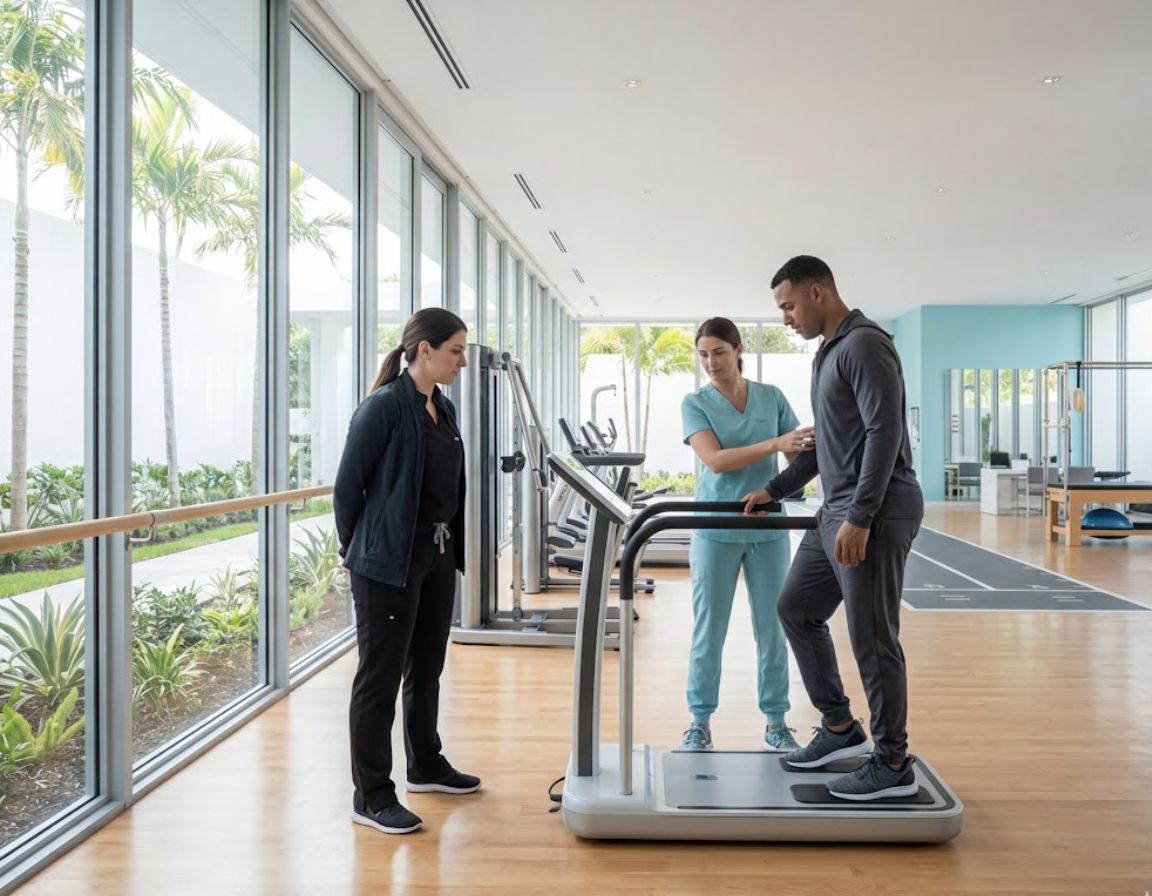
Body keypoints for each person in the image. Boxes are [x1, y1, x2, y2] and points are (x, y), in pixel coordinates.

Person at [741, 256, 924, 801]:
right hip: (835, 511)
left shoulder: (865, 344)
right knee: (796, 608)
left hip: (876, 510)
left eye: (789, 305)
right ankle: (841, 726)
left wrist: (861, 517)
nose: (786, 319)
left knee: (873, 638)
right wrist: (775, 490)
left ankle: (891, 762)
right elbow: (830, 441)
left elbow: (883, 431)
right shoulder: (829, 353)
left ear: (818, 293)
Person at [334, 308, 480, 835]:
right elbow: (347, 489)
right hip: (385, 562)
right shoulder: (384, 408)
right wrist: (359, 553)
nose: (462, 361)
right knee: (380, 679)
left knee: (427, 666)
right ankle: (371, 794)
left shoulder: (441, 407)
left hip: (434, 554)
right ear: (424, 351)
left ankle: (426, 763)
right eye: (456, 350)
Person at [679, 317, 815, 753]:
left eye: (719, 352)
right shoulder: (694, 403)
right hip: (715, 528)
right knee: (709, 630)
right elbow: (715, 461)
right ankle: (699, 721)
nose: (711, 362)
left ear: (738, 350)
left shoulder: (771, 397)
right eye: (703, 354)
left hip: (768, 528)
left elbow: (797, 451)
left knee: (772, 628)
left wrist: (796, 447)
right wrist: (775, 445)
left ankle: (776, 722)